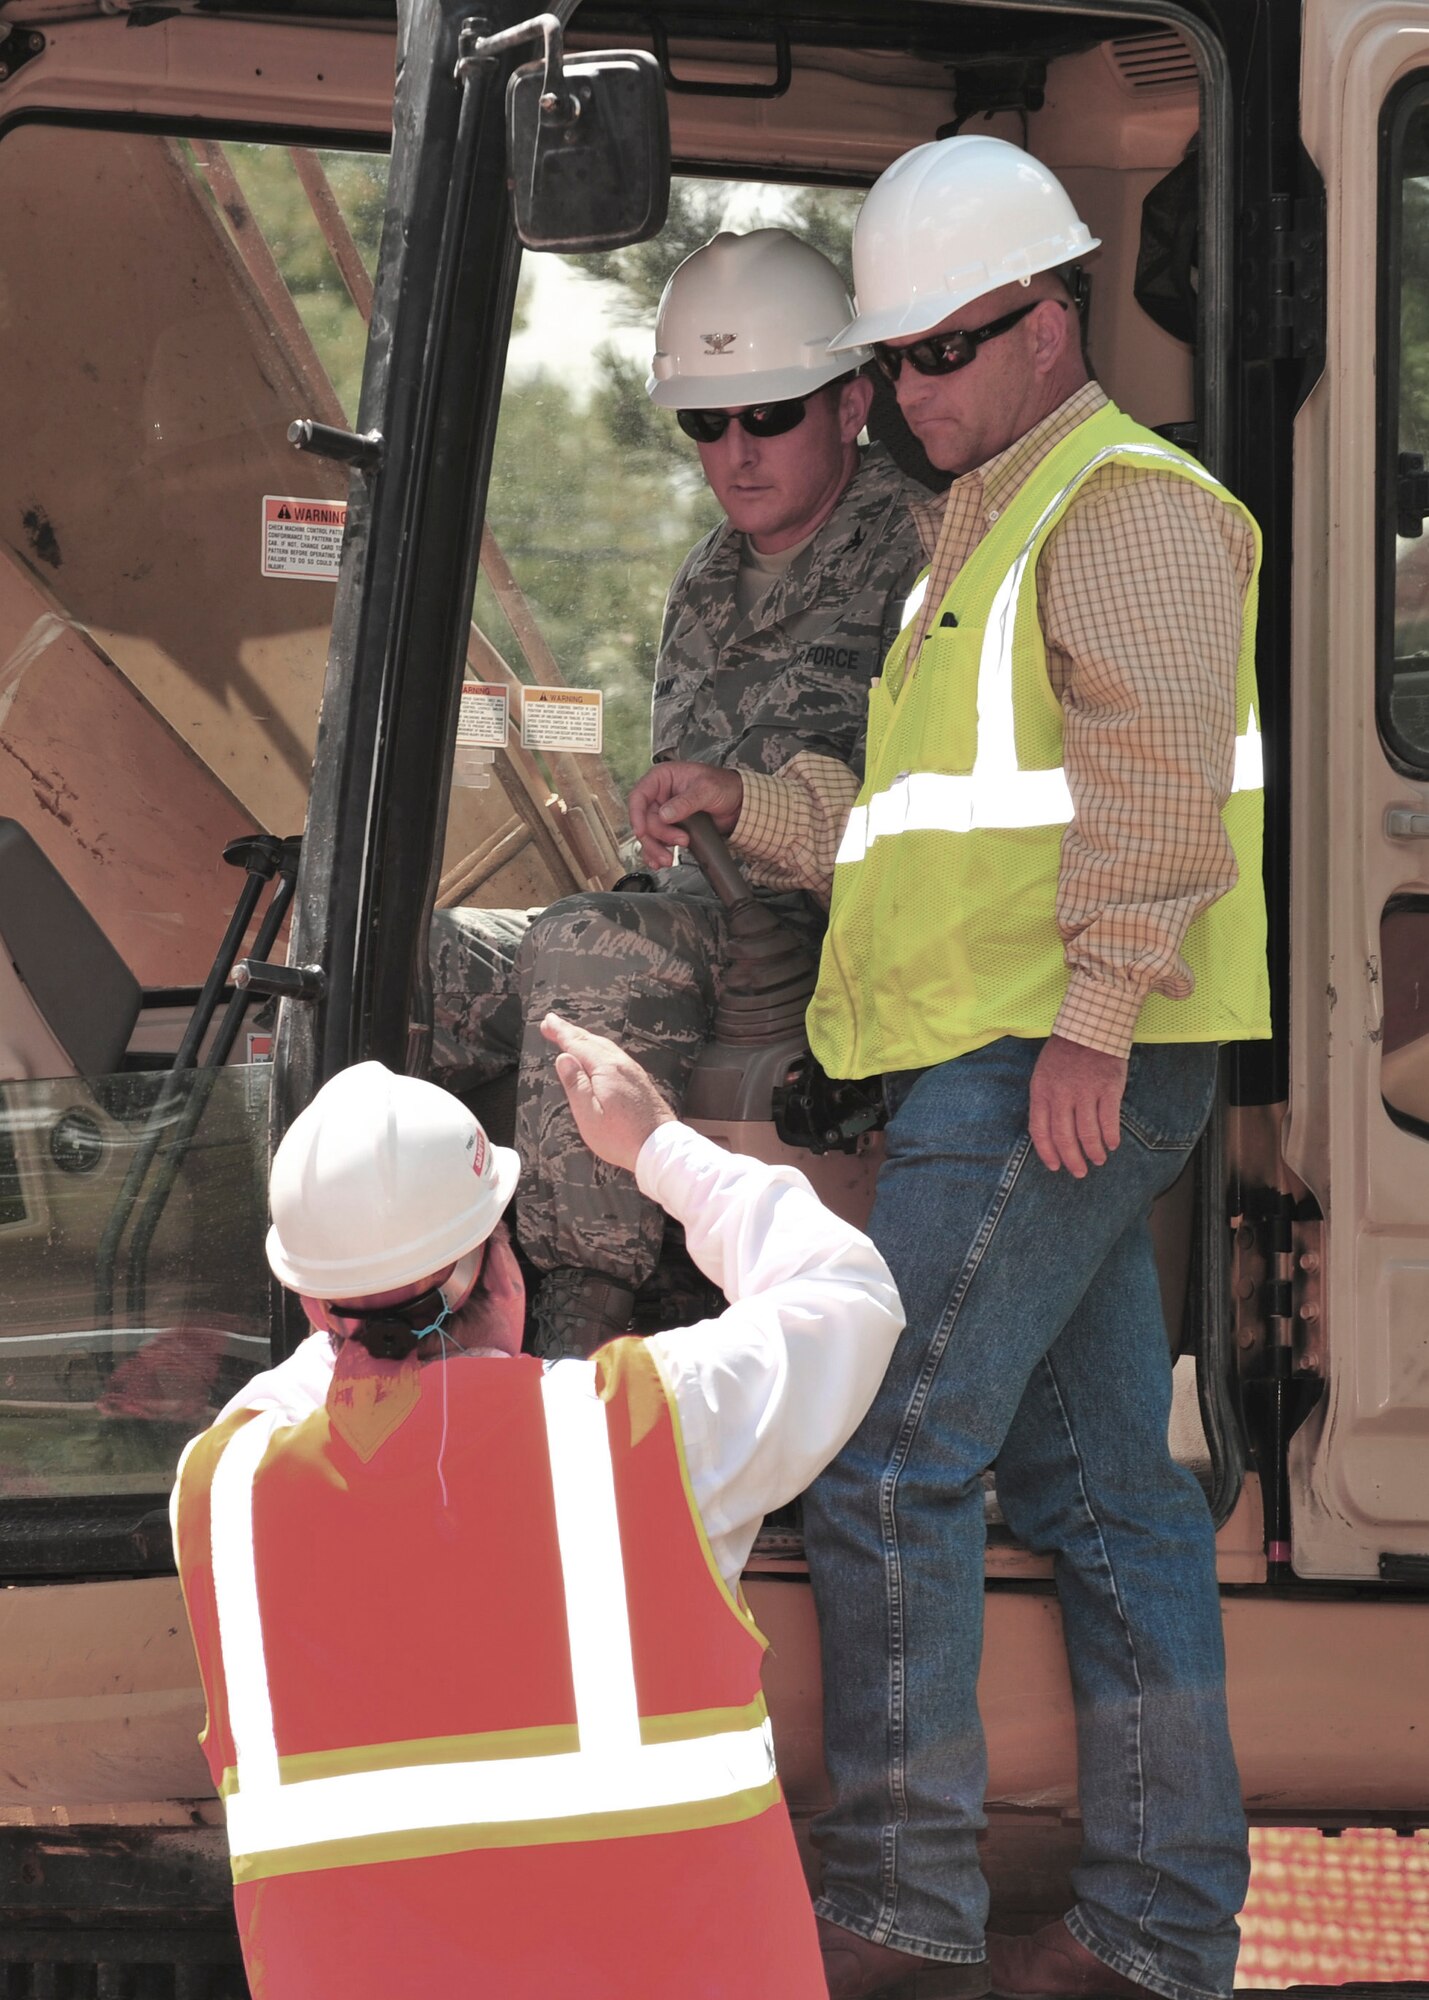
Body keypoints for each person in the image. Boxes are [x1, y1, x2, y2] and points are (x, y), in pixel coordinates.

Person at [651, 137, 1270, 2000]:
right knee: (1097, 1496)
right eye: (897, 356)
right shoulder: (976, 528)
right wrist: (744, 804)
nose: (910, 391)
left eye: (945, 351)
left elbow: (1158, 782)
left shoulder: (1124, 504)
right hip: (972, 1052)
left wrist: (1094, 1021)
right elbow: (917, 823)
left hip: (1044, 1055)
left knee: (888, 1444)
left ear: (1048, 315)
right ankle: (1156, 1930)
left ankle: (897, 1907)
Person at [169, 1013, 904, 2000]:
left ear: (309, 1303)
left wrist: (370, 1275)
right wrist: (656, 1142)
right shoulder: (646, 1426)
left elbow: (324, 1366)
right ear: (498, 1262)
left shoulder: (220, 1490)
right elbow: (844, 1290)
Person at [429, 225, 929, 1355]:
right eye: (707, 422)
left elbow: (922, 814)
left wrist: (742, 802)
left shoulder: (920, 556)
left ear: (852, 404)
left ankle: (573, 1326)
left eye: (770, 415)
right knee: (419, 958)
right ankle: (420, 1293)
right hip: (695, 910)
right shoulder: (708, 572)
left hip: (827, 933)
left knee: (591, 947)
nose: (736, 450)